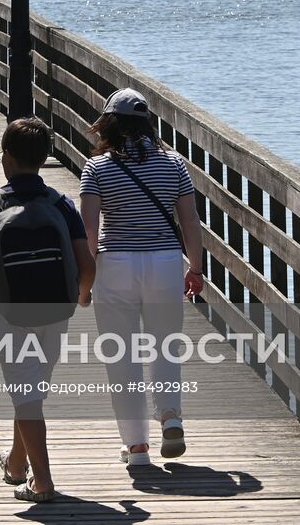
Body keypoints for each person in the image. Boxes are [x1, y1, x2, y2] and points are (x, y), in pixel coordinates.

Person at [0, 117, 93, 503]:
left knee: (27, 392)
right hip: (55, 308)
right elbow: (87, 264)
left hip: (8, 311)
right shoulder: (61, 204)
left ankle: (43, 482)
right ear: (45, 159)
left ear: (6, 158)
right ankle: (17, 464)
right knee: (33, 390)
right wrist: (79, 296)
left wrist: (5, 287)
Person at [79, 88, 204, 467]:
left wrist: (85, 283)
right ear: (147, 124)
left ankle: (137, 449)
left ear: (108, 126)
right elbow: (190, 223)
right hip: (165, 261)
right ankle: (171, 417)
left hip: (115, 263)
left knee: (123, 357)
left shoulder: (96, 169)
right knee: (166, 346)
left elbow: (88, 233)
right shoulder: (174, 165)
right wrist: (195, 268)